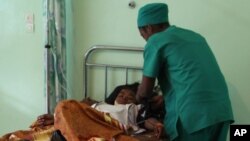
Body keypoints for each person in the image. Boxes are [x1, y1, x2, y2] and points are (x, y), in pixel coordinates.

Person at [135, 3, 234, 141]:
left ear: (148, 27)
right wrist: (165, 98)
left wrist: (137, 100)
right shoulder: (195, 37)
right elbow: (192, 75)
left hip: (195, 118)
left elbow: (145, 91)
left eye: (143, 35)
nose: (145, 40)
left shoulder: (155, 41)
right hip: (221, 112)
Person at [36, 83, 166, 139]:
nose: (124, 96)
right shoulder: (98, 104)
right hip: (84, 122)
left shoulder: (132, 109)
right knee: (65, 105)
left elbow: (147, 120)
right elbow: (76, 111)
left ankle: (65, 136)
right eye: (121, 93)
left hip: (105, 129)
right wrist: (56, 117)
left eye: (129, 96)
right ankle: (62, 129)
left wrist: (157, 125)